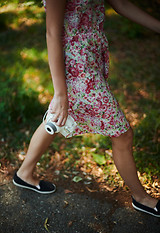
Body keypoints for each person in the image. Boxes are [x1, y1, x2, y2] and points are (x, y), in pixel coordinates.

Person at [13, 0, 160, 217]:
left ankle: (24, 173)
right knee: (123, 134)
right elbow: (52, 33)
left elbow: (120, 3)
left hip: (91, 55)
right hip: (76, 65)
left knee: (58, 116)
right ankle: (142, 198)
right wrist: (60, 92)